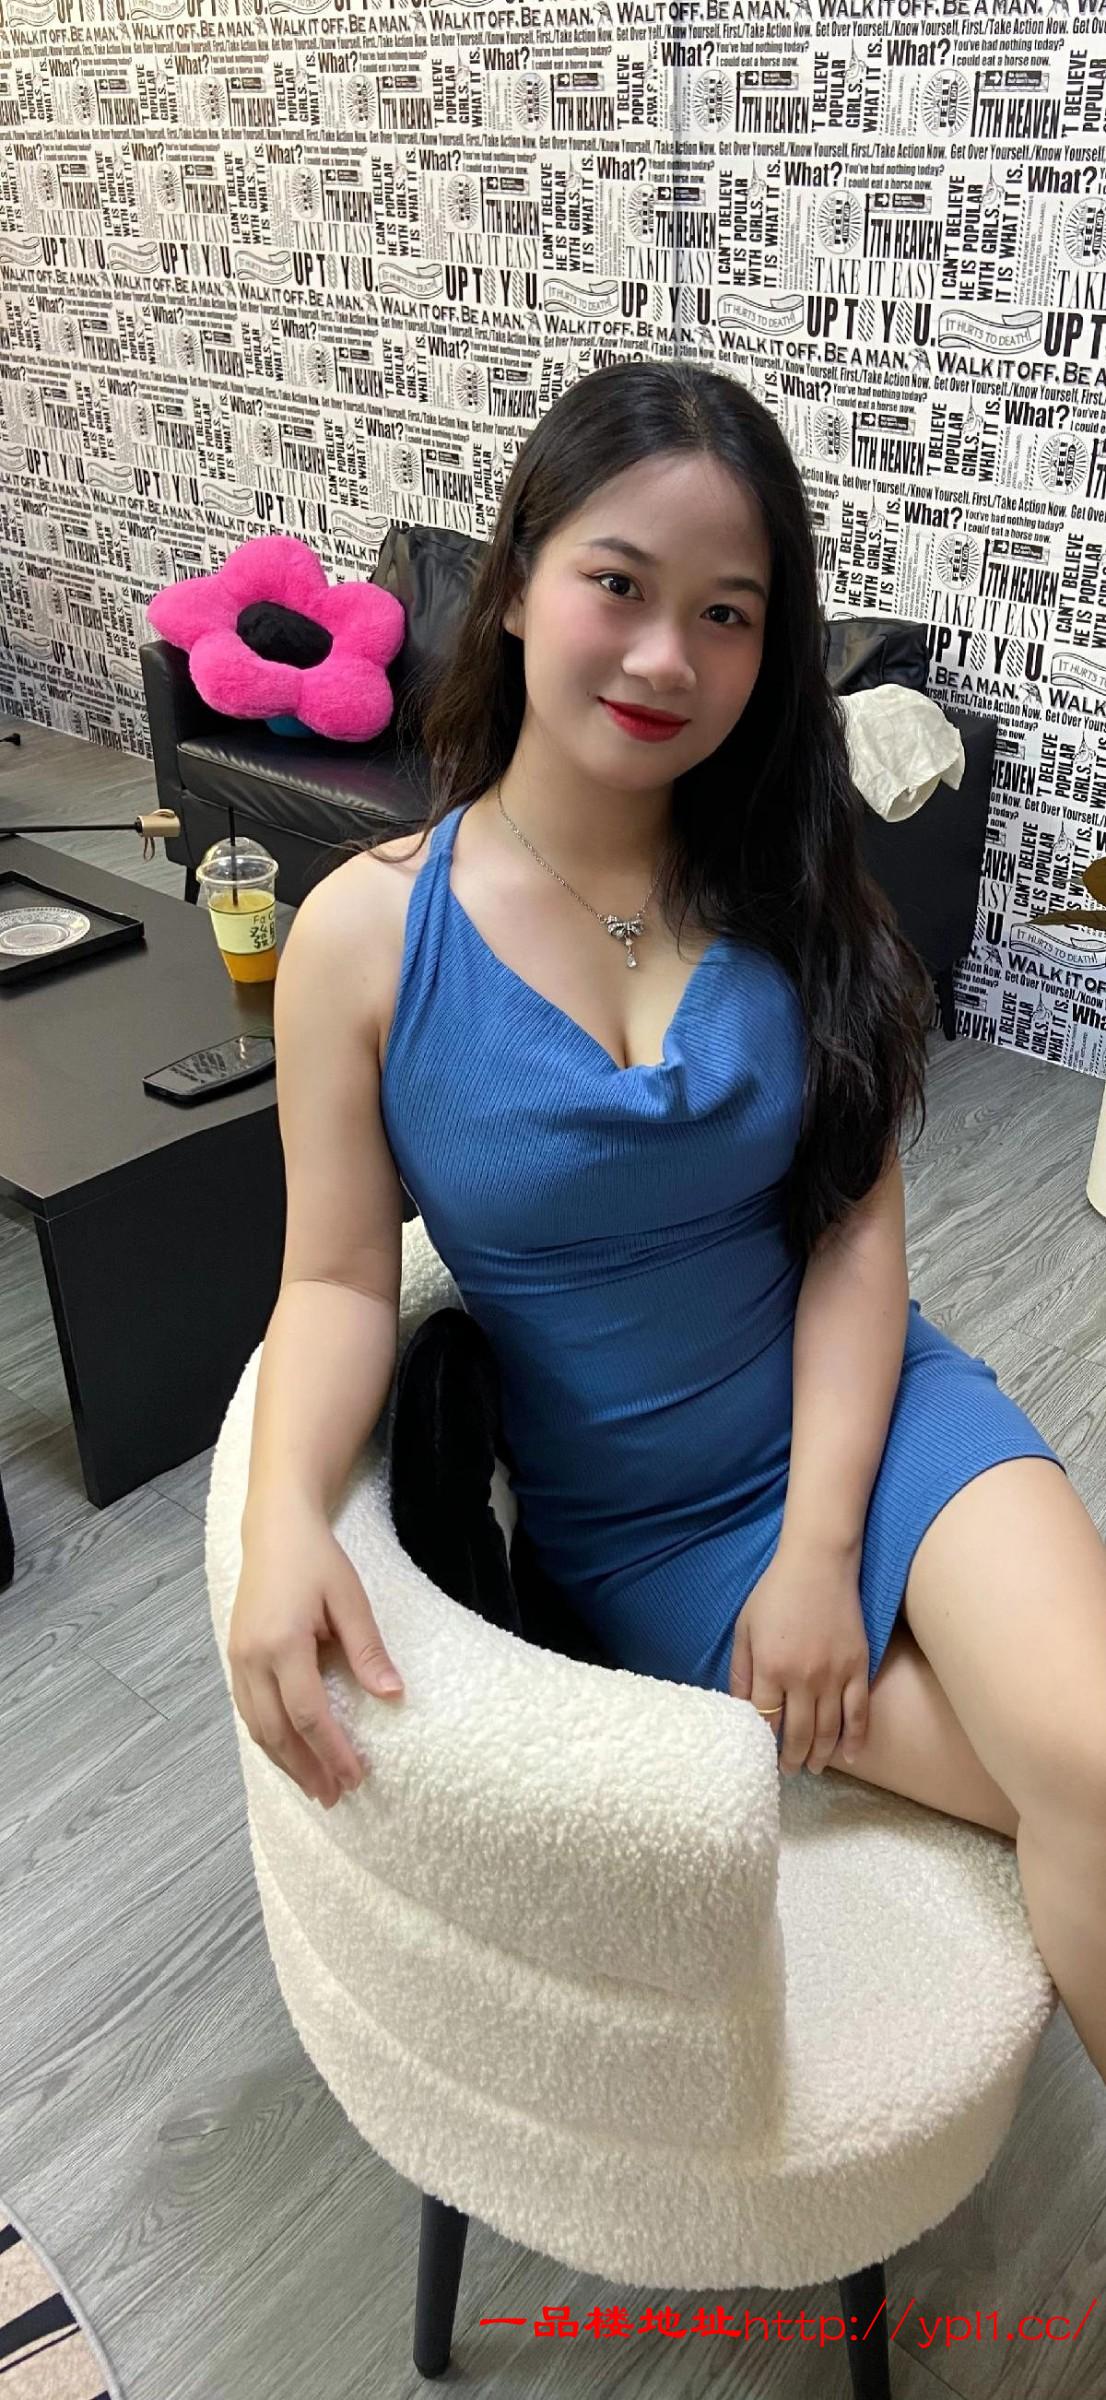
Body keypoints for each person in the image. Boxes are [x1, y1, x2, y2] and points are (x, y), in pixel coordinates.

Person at [229, 359, 1106, 2086]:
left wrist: (821, 1551)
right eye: (618, 585)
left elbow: (851, 1233)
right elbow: (333, 1280)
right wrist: (276, 1517)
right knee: (1065, 1781)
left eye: (725, 614)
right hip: (646, 1533)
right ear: (514, 583)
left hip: (879, 1421)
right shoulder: (364, 939)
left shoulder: (791, 890)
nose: (662, 659)